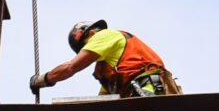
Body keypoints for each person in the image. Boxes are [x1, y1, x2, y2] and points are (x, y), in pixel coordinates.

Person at [30, 20, 181, 97]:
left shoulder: (104, 35)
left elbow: (71, 67)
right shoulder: (107, 65)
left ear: (90, 34)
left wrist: (44, 79)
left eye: (85, 47)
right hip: (146, 92)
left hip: (148, 89)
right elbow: (104, 98)